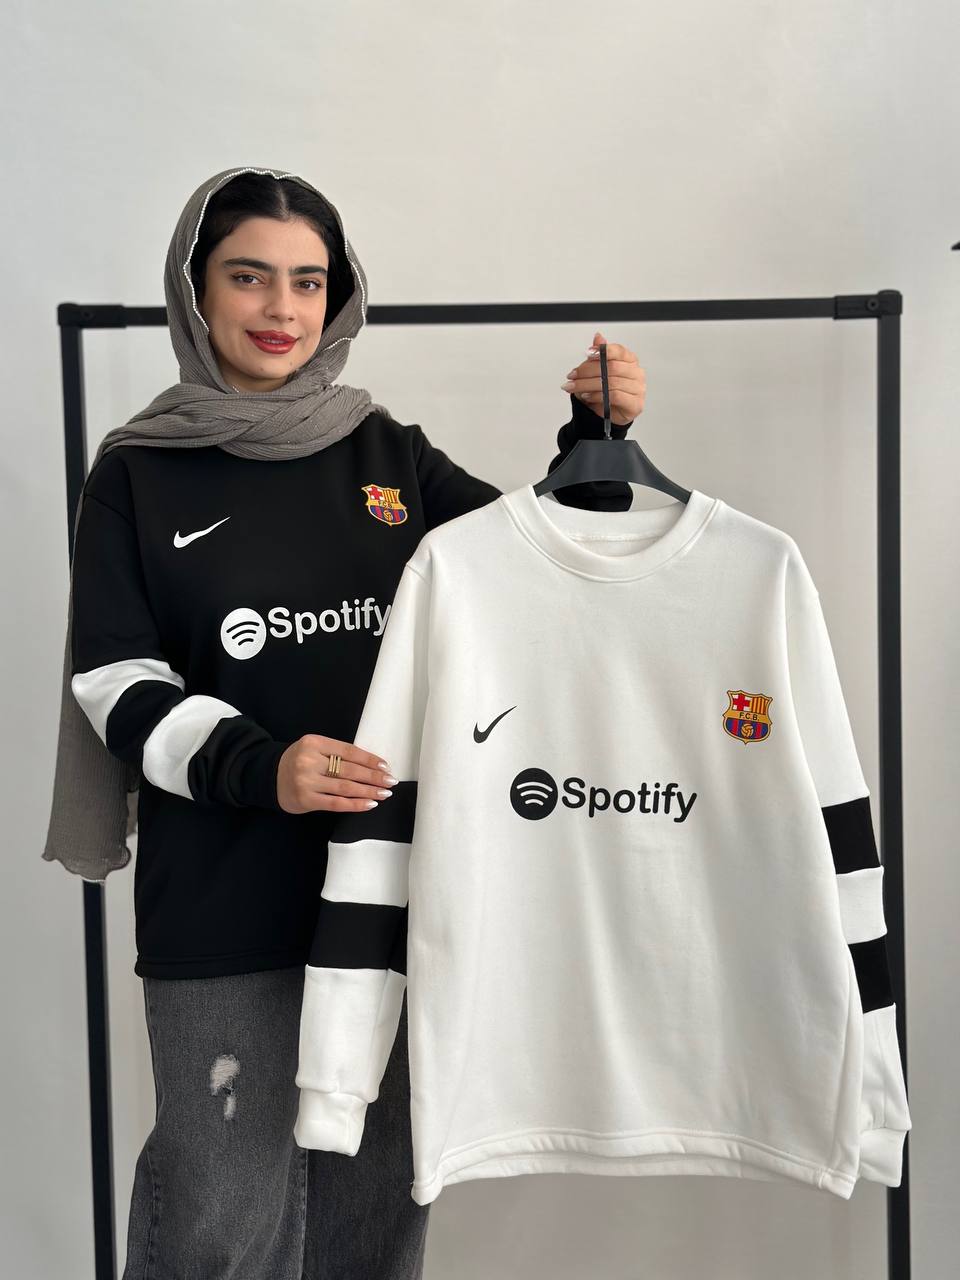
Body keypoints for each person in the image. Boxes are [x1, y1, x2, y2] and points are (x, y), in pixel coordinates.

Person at [44, 165, 647, 1280]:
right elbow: (116, 679)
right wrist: (259, 766)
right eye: (249, 277)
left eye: (309, 281)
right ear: (195, 290)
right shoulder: (137, 473)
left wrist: (594, 438)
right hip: (222, 900)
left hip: (392, 897)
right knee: (220, 1222)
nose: (282, 308)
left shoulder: (387, 453)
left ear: (340, 295)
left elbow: (534, 576)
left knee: (374, 1224)